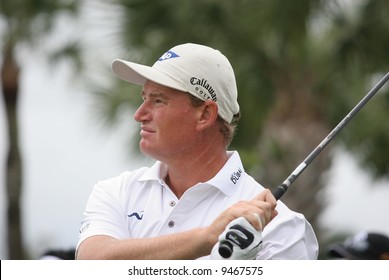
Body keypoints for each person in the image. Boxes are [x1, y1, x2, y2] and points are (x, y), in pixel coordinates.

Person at [76, 42, 318, 260]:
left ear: (204, 115)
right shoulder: (117, 192)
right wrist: (206, 239)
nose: (139, 114)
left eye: (158, 100)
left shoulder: (282, 229)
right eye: (144, 98)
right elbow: (92, 261)